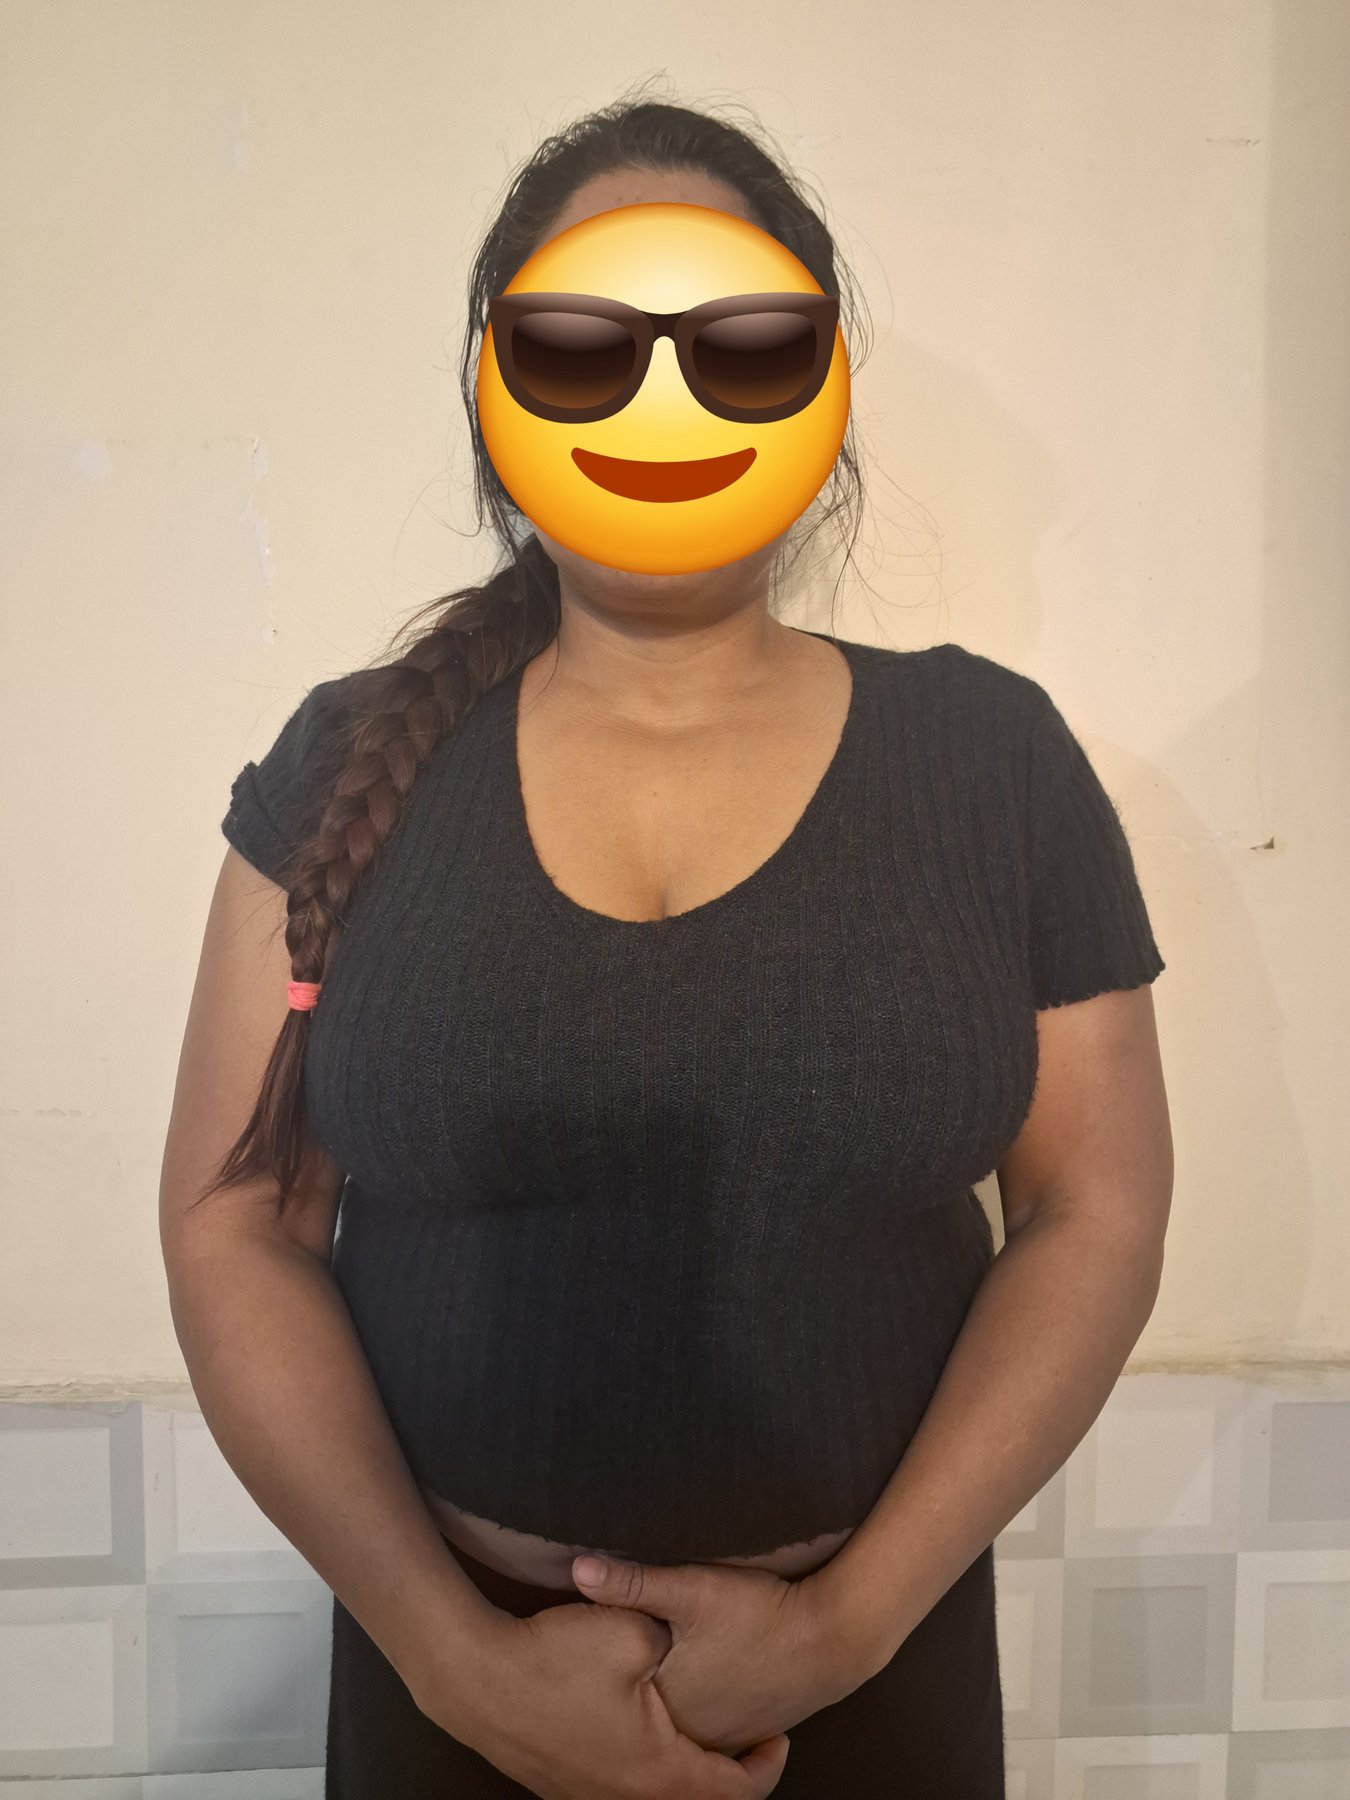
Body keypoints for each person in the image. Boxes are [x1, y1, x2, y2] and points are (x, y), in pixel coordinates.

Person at [160, 87, 1172, 1799]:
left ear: (824, 390)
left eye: (743, 347)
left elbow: (1095, 1207)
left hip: (876, 1687)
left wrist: (846, 1624)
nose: (661, 399)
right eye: (577, 348)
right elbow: (233, 1217)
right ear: (491, 392)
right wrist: (453, 1661)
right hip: (444, 1702)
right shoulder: (343, 764)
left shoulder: (992, 762)